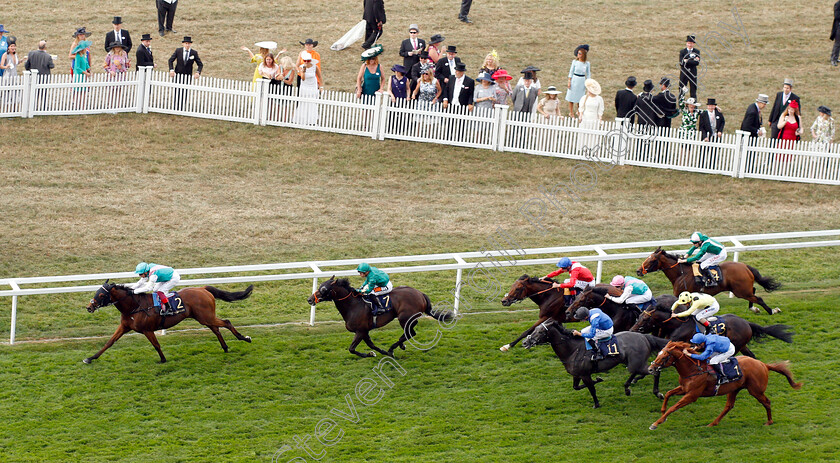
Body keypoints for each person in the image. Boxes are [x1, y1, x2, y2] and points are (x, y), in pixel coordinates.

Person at [168, 36, 203, 110]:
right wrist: (171, 70)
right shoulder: (178, 51)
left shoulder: (194, 53)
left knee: (185, 91)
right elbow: (170, 60)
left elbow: (200, 64)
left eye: (189, 44)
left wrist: (198, 72)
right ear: (183, 44)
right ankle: (175, 106)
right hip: (178, 74)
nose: (187, 45)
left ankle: (181, 107)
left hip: (187, 75)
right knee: (177, 90)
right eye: (186, 43)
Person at [293, 51, 322, 125]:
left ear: (310, 60)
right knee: (303, 102)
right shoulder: (302, 66)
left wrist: (321, 86)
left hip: (313, 86)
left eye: (308, 61)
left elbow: (320, 77)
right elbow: (303, 78)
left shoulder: (315, 67)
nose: (306, 62)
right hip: (304, 86)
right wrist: (303, 72)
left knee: (312, 102)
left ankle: (312, 120)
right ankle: (302, 119)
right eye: (305, 60)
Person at [578, 79, 604, 153]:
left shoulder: (599, 99)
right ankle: (583, 148)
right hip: (585, 117)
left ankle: (592, 148)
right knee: (584, 133)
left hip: (594, 118)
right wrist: (580, 116)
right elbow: (581, 108)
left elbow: (600, 110)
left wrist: (600, 119)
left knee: (593, 134)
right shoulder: (584, 98)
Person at [566, 44, 590, 117]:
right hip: (575, 79)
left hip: (581, 80)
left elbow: (588, 74)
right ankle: (571, 112)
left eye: (580, 53)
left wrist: (588, 83)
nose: (578, 55)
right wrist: (569, 81)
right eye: (578, 53)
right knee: (571, 96)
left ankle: (579, 111)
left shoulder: (587, 63)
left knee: (580, 97)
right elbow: (571, 71)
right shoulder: (575, 62)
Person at [832, 0, 840, 66]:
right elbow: (837, 16)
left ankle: (836, 58)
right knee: (837, 44)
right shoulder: (838, 4)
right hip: (839, 27)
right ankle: (833, 59)